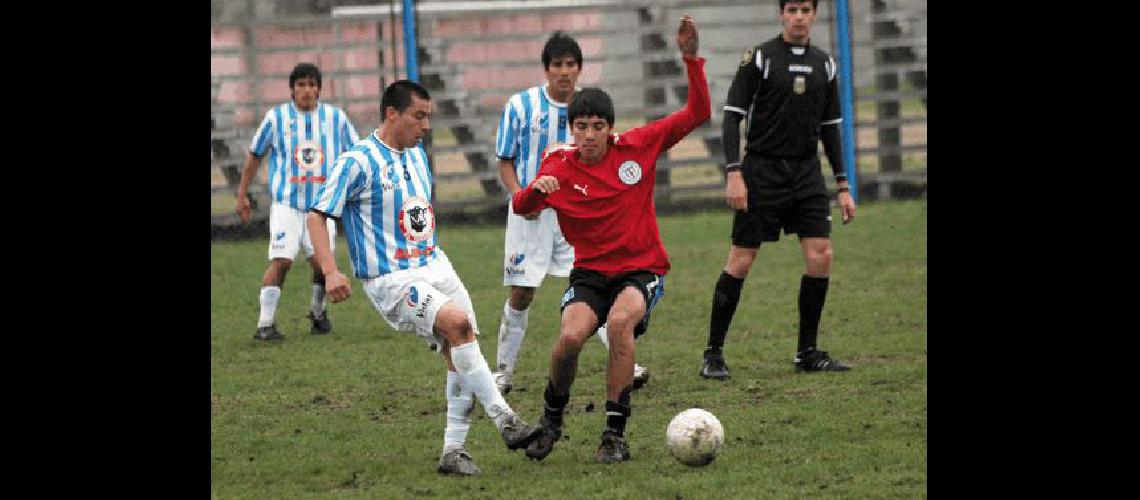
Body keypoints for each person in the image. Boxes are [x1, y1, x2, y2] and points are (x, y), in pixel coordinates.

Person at [305, 80, 542, 476]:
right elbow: (317, 215)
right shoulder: (357, 161)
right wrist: (330, 271)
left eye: (428, 117)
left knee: (460, 350)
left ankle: (454, 451)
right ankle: (506, 420)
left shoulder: (416, 154)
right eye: (419, 116)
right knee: (459, 326)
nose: (426, 125)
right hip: (391, 277)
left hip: (434, 263)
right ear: (392, 114)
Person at [513, 15, 708, 464]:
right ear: (572, 129)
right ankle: (552, 420)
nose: (588, 135)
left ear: (609, 129)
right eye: (580, 127)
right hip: (590, 274)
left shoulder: (638, 147)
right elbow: (522, 208)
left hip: (642, 270)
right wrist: (531, 192)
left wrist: (691, 58)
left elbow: (696, 114)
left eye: (597, 126)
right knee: (569, 341)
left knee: (620, 323)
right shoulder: (558, 166)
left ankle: (613, 435)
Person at [698, 0, 857, 380]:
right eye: (793, 9)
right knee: (741, 260)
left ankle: (808, 352)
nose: (799, 16)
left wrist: (843, 184)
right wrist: (734, 173)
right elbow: (732, 117)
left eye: (806, 9)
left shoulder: (826, 64)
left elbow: (831, 128)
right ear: (781, 14)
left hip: (806, 173)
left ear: (814, 14)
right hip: (761, 171)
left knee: (821, 255)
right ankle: (714, 353)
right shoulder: (760, 58)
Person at [492, 31, 650, 395]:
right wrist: (521, 197)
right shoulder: (520, 107)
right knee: (523, 291)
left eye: (571, 65)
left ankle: (627, 360)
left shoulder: (590, 108)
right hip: (531, 212)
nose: (564, 72)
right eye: (557, 65)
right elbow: (505, 161)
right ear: (546, 69)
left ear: (580, 69)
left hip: (577, 211)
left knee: (595, 284)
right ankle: (504, 371)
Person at [235, 63, 360, 341]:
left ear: (319, 89)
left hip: (321, 207)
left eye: (312, 85)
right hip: (286, 205)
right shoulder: (276, 118)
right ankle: (265, 325)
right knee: (282, 260)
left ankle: (317, 313)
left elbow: (356, 154)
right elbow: (255, 155)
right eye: (301, 85)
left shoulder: (335, 119)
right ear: (292, 89)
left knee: (320, 264)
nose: (307, 90)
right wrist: (242, 194)